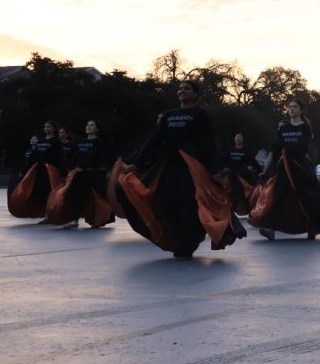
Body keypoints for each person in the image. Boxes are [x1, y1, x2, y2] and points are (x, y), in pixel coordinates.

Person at [111, 80, 245, 258]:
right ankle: (174, 238)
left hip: (191, 165)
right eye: (180, 88)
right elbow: (153, 140)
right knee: (164, 199)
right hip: (168, 164)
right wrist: (137, 163)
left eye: (187, 88)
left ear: (195, 94)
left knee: (189, 202)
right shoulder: (168, 115)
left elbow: (207, 143)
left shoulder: (199, 114)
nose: (182, 91)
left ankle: (188, 242)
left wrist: (213, 170)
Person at [249, 98, 320, 241]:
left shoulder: (305, 128)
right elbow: (275, 149)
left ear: (301, 110)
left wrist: (287, 150)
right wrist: (266, 170)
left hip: (300, 166)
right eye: (290, 107)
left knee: (308, 196)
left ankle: (313, 228)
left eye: (295, 107)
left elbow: (302, 146)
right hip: (284, 167)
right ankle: (270, 229)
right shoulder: (284, 128)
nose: (291, 109)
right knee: (277, 196)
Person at [45, 119, 113, 229]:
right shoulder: (80, 142)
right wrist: (72, 168)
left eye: (91, 125)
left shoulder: (98, 142)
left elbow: (92, 157)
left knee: (98, 196)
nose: (88, 127)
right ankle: (74, 219)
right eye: (87, 125)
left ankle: (100, 219)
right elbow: (74, 156)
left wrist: (81, 167)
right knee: (73, 194)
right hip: (79, 174)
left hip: (93, 174)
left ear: (96, 129)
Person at [7, 120, 65, 221]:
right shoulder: (41, 141)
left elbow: (60, 158)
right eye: (45, 127)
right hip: (39, 172)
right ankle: (41, 211)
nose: (46, 129)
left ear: (54, 129)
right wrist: (25, 171)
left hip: (50, 172)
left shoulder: (56, 142)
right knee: (36, 191)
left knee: (49, 192)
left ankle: (49, 215)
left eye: (49, 127)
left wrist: (63, 172)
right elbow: (33, 158)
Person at [220, 132, 261, 217]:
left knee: (247, 191)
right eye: (236, 137)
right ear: (234, 139)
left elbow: (254, 163)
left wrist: (261, 171)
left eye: (240, 137)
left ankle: (251, 209)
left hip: (243, 175)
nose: (238, 139)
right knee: (232, 192)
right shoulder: (230, 150)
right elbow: (222, 161)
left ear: (243, 140)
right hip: (232, 175)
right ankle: (230, 210)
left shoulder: (246, 151)